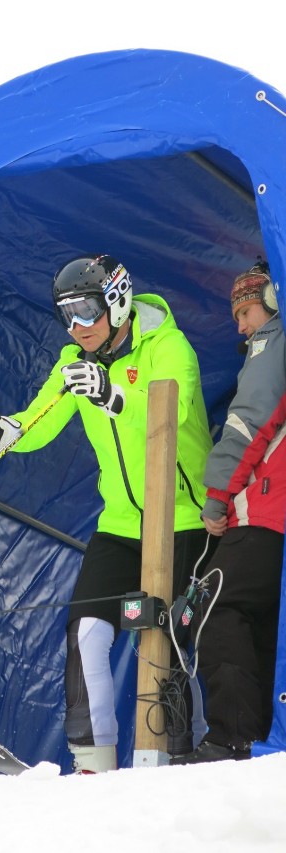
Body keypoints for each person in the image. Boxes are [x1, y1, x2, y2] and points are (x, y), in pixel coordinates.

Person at [0, 254, 214, 772]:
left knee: (168, 640)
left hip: (182, 516)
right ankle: (92, 762)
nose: (77, 327)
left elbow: (173, 410)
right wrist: (0, 434)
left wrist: (113, 396)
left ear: (116, 303)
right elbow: (40, 419)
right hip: (120, 522)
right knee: (86, 632)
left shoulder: (168, 346)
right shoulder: (75, 359)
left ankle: (178, 761)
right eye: (66, 316)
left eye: (86, 312)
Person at [171, 260, 286, 765]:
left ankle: (231, 741)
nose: (240, 326)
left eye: (245, 310)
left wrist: (217, 494)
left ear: (273, 299)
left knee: (216, 610)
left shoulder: (273, 341)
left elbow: (249, 419)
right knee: (258, 623)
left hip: (263, 511)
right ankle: (255, 742)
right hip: (268, 514)